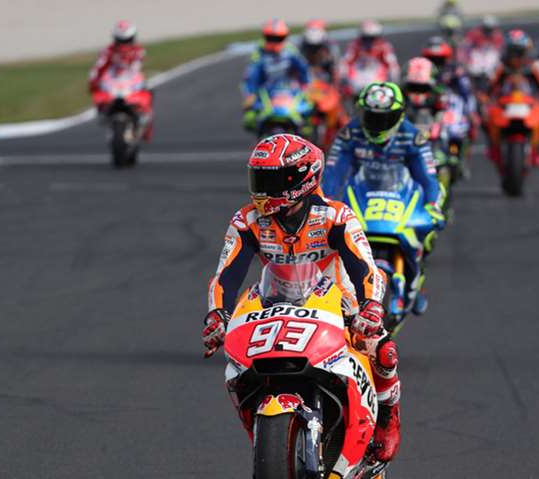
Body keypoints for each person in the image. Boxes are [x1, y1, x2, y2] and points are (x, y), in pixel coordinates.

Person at [203, 133, 402, 463]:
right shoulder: (247, 221)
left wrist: (370, 307)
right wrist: (217, 315)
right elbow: (227, 275)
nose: (261, 189)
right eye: (258, 178)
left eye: (270, 179)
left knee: (383, 349)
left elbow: (365, 267)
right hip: (275, 300)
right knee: (238, 365)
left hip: (340, 302)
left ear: (301, 179)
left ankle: (387, 419)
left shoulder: (336, 217)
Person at [322, 82, 444, 315]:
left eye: (384, 118)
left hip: (401, 195)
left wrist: (432, 205)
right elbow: (334, 173)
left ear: (398, 116)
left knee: (428, 233)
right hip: (362, 194)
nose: (377, 124)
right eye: (371, 116)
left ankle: (416, 279)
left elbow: (428, 177)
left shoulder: (413, 137)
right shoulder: (350, 133)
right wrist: (324, 202)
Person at [487, 29, 539, 168]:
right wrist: (486, 98)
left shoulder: (533, 68)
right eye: (513, 52)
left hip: (528, 104)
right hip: (504, 104)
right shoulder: (500, 69)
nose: (516, 57)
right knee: (487, 118)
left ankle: (535, 151)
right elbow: (489, 88)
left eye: (519, 52)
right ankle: (494, 149)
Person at [241, 19, 311, 131]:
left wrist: (306, 86)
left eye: (278, 39)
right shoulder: (258, 54)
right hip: (266, 90)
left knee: (309, 111)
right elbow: (251, 76)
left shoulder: (290, 51)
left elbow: (303, 69)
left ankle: (307, 134)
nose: (274, 42)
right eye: (270, 38)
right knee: (250, 117)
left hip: (290, 89)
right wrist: (250, 94)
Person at [88, 20, 153, 141]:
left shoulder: (138, 51)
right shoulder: (107, 52)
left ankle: (146, 127)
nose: (124, 44)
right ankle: (105, 114)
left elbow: (138, 68)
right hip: (114, 84)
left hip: (131, 84)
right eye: (121, 41)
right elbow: (98, 68)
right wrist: (93, 82)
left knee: (149, 93)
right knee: (99, 96)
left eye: (127, 41)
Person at [422, 36, 478, 143]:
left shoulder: (455, 70)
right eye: (432, 59)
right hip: (428, 107)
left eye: (439, 59)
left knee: (460, 127)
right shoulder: (422, 70)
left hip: (450, 107)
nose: (436, 63)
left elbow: (466, 91)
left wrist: (471, 113)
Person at [340, 20, 401, 90]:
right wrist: (344, 77)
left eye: (372, 38)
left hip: (378, 77)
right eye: (366, 38)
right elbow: (345, 62)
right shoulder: (354, 46)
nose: (369, 41)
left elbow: (392, 64)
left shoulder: (384, 46)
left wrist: (394, 80)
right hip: (358, 77)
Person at [300, 19, 341, 83]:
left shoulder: (332, 50)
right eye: (310, 47)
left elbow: (336, 71)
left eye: (317, 48)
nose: (314, 51)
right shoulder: (301, 57)